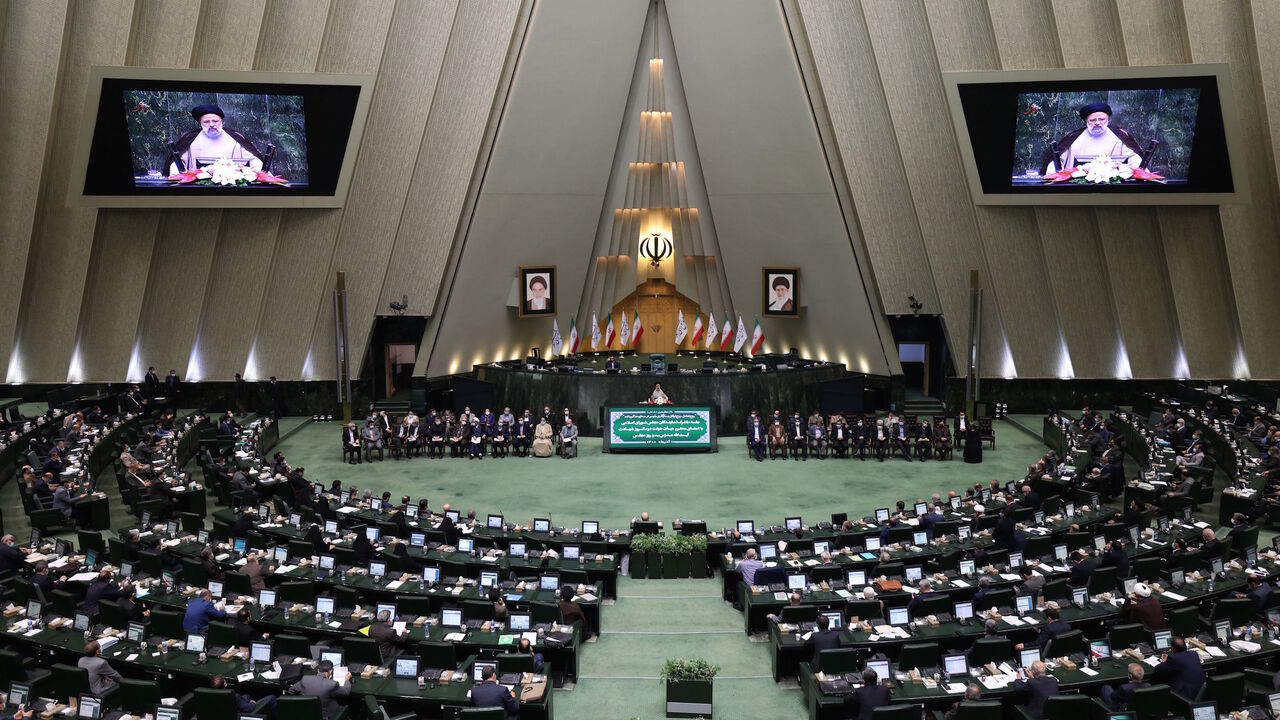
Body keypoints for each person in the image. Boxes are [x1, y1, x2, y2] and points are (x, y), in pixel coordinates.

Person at [1046, 102, 1144, 173]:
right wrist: (1052, 172)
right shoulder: (1073, 137)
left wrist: (1140, 170)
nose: (1097, 123)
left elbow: (1134, 158)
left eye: (1101, 119)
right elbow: (1058, 161)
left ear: (1107, 120)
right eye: (1092, 120)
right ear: (1086, 121)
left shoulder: (1120, 136)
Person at [168, 104, 266, 175]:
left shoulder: (235, 137)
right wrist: (177, 175)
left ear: (221, 121)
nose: (211, 124)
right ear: (200, 123)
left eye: (215, 121)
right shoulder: (190, 139)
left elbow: (253, 159)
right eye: (206, 122)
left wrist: (263, 173)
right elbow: (178, 162)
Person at [212, 674, 276, 716]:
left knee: (247, 696)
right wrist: (252, 703)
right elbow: (249, 709)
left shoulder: (211, 696)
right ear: (225, 684)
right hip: (243, 714)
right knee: (272, 698)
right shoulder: (234, 696)